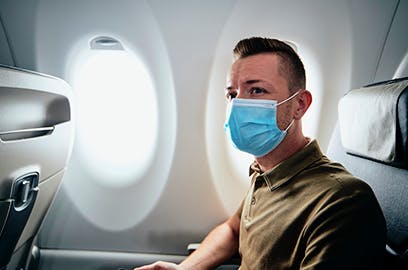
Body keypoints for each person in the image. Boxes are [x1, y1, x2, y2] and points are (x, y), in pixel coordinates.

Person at [135, 37, 386, 270]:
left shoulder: (343, 202)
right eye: (232, 94)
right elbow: (233, 230)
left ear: (299, 105)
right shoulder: (267, 171)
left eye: (256, 91)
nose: (237, 105)